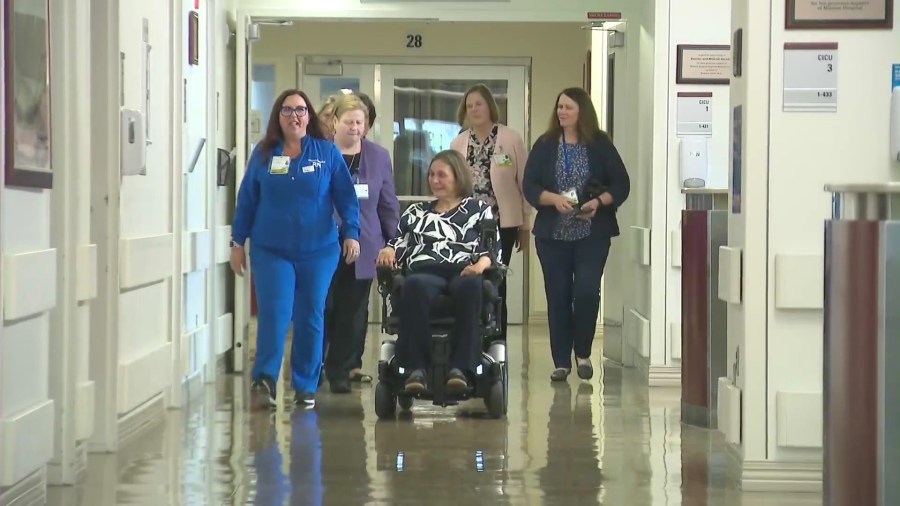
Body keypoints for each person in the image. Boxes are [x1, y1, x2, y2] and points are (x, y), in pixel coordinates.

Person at [230, 89, 361, 409]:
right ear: (278, 116)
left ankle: (305, 384)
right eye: (287, 110)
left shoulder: (326, 153)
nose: (294, 116)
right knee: (274, 314)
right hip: (271, 250)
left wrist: (351, 233)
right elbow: (247, 199)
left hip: (318, 251)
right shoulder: (263, 153)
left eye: (300, 110)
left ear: (309, 116)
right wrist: (237, 241)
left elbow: (346, 198)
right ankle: (265, 378)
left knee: (310, 314)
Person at [522, 87, 630, 382]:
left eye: (568, 107)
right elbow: (529, 185)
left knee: (585, 290)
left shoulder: (599, 143)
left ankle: (582, 352)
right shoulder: (545, 145)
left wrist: (599, 202)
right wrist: (552, 199)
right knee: (558, 295)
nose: (562, 112)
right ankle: (561, 361)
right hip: (552, 233)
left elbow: (621, 184)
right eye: (559, 107)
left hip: (591, 233)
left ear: (582, 110)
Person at [376, 150, 498, 395]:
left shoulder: (478, 210)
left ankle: (460, 369)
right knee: (413, 286)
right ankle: (415, 369)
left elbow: (491, 251)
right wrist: (388, 250)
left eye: (441, 175)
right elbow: (398, 242)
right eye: (431, 175)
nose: (434, 180)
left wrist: (479, 266)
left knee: (472, 287)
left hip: (464, 270)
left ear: (458, 177)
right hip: (425, 271)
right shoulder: (416, 211)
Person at [323, 94, 400, 393]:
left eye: (360, 122)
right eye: (349, 122)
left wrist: (394, 241)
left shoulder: (378, 156)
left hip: (365, 245)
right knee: (324, 307)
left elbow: (388, 203)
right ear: (334, 123)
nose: (355, 128)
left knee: (352, 311)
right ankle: (316, 365)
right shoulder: (322, 153)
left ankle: (341, 369)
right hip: (324, 244)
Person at [449, 83, 530, 341]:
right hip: (467, 224)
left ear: (490, 107)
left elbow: (524, 183)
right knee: (469, 278)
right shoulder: (459, 142)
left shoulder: (510, 138)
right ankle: (471, 335)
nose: (474, 109)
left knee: (496, 280)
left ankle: (497, 339)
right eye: (469, 105)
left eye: (479, 104)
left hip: (502, 223)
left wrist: (525, 225)